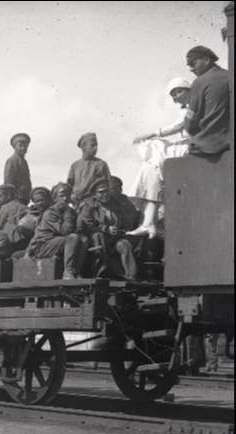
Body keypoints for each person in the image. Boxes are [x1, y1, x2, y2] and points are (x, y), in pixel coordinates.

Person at [129, 78, 193, 237]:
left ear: (187, 90)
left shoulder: (195, 106)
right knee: (150, 165)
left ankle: (149, 222)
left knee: (155, 148)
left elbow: (179, 125)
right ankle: (149, 222)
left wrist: (152, 133)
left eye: (177, 92)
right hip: (184, 145)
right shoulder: (187, 108)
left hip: (191, 147)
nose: (175, 97)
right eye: (173, 94)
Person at [76, 178, 137, 280]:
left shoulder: (117, 205)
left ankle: (131, 275)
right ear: (94, 194)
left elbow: (126, 223)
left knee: (125, 244)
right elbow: (86, 226)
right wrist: (105, 229)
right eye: (101, 192)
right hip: (95, 241)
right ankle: (100, 272)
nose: (105, 194)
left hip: (115, 239)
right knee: (98, 236)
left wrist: (121, 232)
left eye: (107, 191)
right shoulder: (88, 207)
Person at [26, 188, 87, 279]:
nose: (40, 203)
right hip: (41, 246)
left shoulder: (52, 211)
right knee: (72, 238)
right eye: (37, 201)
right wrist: (67, 211)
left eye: (42, 200)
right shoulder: (50, 213)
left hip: (48, 243)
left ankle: (75, 272)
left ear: (48, 200)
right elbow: (66, 231)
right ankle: (68, 272)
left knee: (83, 238)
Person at [184, 45, 230, 157]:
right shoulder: (230, 76)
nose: (191, 69)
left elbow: (190, 125)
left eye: (193, 64)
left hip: (209, 145)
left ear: (206, 60)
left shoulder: (199, 82)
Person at [67, 132, 111, 205]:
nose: (96, 148)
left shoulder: (101, 164)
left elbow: (108, 185)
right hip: (76, 204)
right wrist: (71, 196)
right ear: (84, 147)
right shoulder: (75, 165)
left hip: (94, 204)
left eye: (96, 145)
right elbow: (69, 186)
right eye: (92, 145)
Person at [4, 133, 32, 204]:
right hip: (16, 198)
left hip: (25, 198)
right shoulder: (12, 160)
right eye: (20, 146)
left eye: (25, 146)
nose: (23, 148)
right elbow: (8, 182)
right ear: (15, 147)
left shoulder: (24, 161)